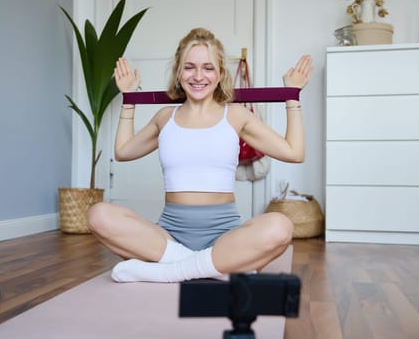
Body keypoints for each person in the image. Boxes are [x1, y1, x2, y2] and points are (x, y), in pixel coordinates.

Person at [86, 27, 313, 283]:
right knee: (98, 215)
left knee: (280, 226)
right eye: (189, 67)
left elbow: (294, 153)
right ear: (178, 72)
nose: (198, 76)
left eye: (208, 68)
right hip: (169, 237)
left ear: (219, 74)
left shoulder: (235, 115)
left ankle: (173, 271)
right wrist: (129, 98)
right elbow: (124, 151)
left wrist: (292, 95)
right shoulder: (165, 118)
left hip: (225, 236)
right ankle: (216, 268)